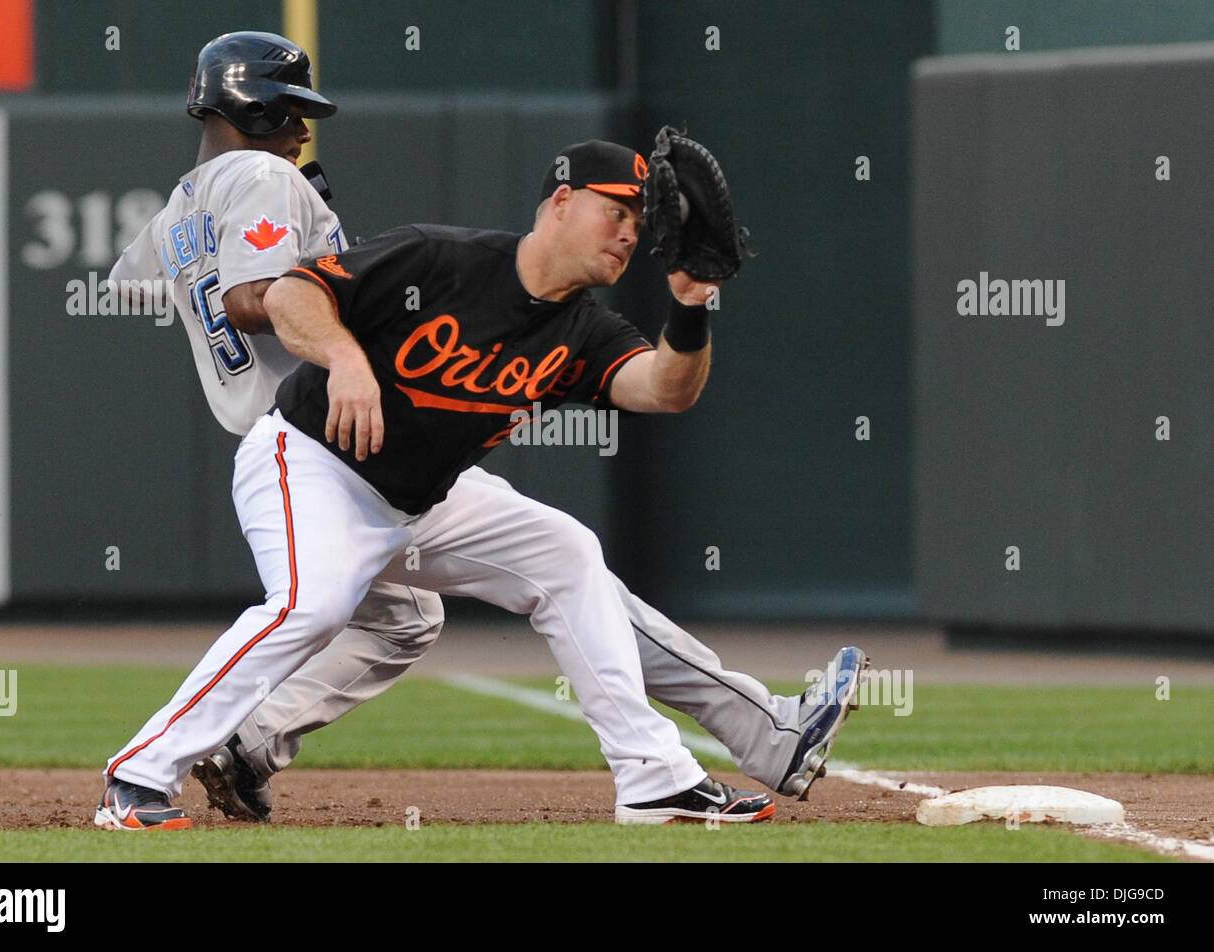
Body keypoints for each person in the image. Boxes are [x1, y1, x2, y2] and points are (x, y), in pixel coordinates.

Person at [96, 31, 865, 830]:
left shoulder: (585, 328)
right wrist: (344, 351)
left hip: (416, 493)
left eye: (641, 219)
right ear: (560, 202)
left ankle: (656, 778)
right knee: (313, 605)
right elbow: (279, 294)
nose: (631, 231)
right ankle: (138, 778)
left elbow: (663, 392)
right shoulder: (428, 254)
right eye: (616, 210)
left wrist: (692, 301)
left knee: (560, 558)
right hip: (311, 454)